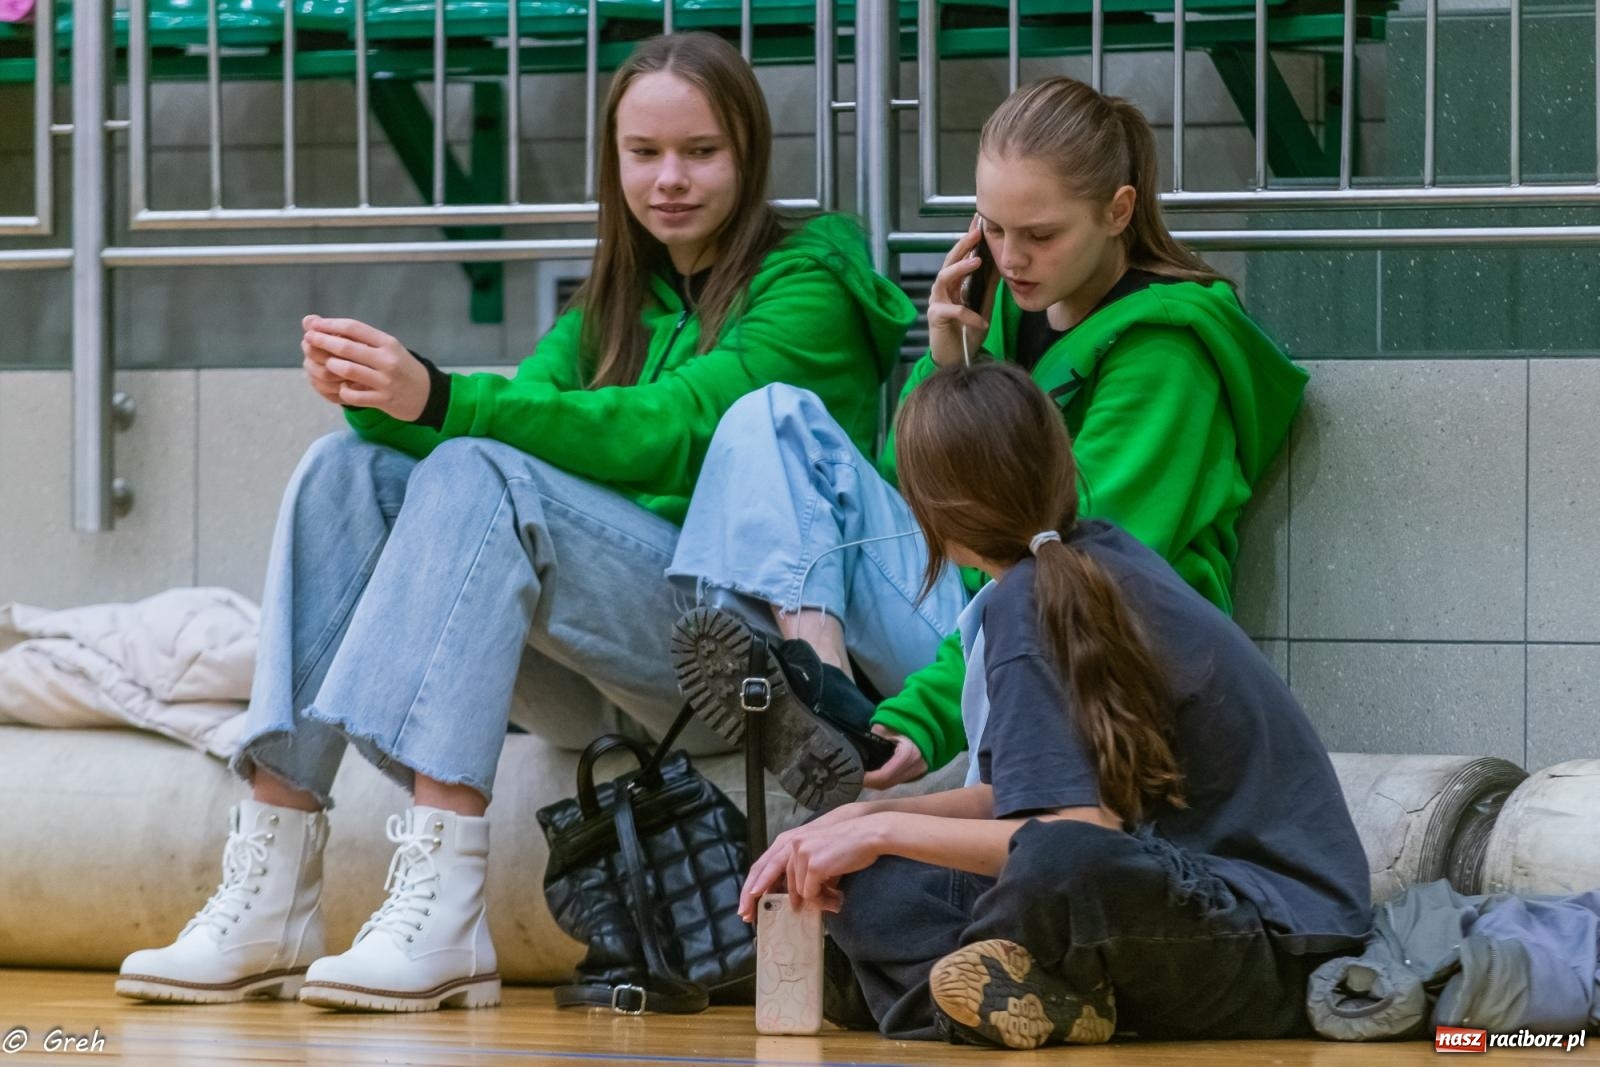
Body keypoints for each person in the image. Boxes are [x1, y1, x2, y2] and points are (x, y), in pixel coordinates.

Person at [114, 31, 914, 1013]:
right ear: (612, 161)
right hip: (598, 668)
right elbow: (486, 428)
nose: (668, 179)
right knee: (345, 470)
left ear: (748, 155)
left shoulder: (809, 287)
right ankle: (270, 874)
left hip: (731, 652)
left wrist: (441, 395)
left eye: (700, 151)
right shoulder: (608, 310)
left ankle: (445, 901)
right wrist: (381, 397)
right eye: (643, 153)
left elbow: (674, 429)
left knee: (480, 459)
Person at [667, 73, 1309, 805]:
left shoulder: (1169, 354)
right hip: (970, 602)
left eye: (1040, 235)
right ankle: (832, 703)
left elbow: (1074, 566)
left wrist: (922, 715)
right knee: (770, 417)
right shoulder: (1001, 304)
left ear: (1117, 210)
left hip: (1078, 645)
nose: (1009, 259)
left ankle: (851, 728)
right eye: (991, 228)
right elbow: (915, 489)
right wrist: (945, 367)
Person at [737, 360, 1371, 1048]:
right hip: (1183, 915)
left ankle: (973, 996)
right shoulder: (1076, 566)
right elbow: (1018, 801)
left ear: (930, 511)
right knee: (873, 882)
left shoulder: (1035, 600)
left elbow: (1071, 834)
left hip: (1276, 942)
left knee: (1057, 862)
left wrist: (881, 831)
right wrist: (863, 818)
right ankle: (1049, 1000)